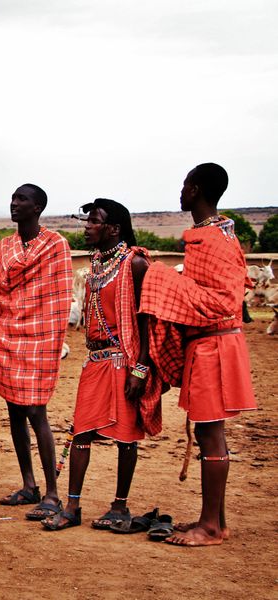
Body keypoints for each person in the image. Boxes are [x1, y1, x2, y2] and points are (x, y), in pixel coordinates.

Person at [138, 163, 257, 546]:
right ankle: (215, 522)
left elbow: (223, 300)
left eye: (185, 184)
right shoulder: (214, 235)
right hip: (211, 344)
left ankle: (209, 528)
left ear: (197, 189)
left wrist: (158, 276)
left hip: (216, 344)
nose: (181, 191)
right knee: (210, 430)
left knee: (210, 432)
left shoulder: (213, 241)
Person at [41, 199, 164, 530]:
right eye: (87, 221)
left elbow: (147, 321)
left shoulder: (134, 265)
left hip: (124, 361)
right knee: (81, 432)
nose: (87, 226)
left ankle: (119, 508)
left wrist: (141, 368)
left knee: (126, 437)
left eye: (94, 221)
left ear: (114, 229)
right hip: (95, 361)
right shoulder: (97, 264)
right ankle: (72, 507)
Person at [0, 183, 72, 520]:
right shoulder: (5, 246)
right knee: (14, 413)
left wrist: (45, 334)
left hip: (39, 338)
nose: (14, 204)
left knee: (37, 413)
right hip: (8, 335)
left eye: (21, 199)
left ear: (37, 207)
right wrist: (3, 323)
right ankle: (29, 485)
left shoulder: (55, 245)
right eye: (12, 198)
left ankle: (52, 493)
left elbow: (59, 296)